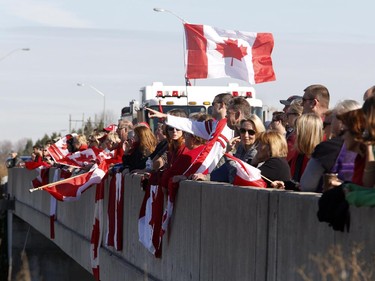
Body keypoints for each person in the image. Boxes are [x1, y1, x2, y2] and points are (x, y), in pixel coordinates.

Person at [300, 100, 360, 192]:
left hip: (335, 202)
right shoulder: (368, 146)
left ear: (341, 121)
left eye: (334, 118)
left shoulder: (327, 147)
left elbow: (307, 184)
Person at [210, 114, 265, 182]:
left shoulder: (258, 151)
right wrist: (206, 177)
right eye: (243, 131)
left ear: (259, 133)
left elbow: (237, 174)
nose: (246, 135)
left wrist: (228, 154)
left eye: (251, 132)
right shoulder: (241, 148)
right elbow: (223, 169)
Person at [289, 113, 323, 182]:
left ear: (306, 134)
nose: (293, 134)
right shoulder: (298, 155)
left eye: (296, 131)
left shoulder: (322, 158)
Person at [336, 109, 366, 186]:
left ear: (356, 130)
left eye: (343, 132)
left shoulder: (370, 160)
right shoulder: (359, 158)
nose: (342, 137)